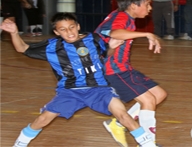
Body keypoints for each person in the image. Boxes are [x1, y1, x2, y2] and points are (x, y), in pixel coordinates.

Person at [1, 13, 154, 147]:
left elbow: (105, 54)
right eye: (63, 29)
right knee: (43, 119)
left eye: (72, 27)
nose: (69, 32)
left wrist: (112, 47)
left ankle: (147, 144)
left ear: (78, 26)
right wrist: (14, 33)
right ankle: (20, 143)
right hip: (70, 91)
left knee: (123, 115)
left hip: (99, 89)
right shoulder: (51, 47)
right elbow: (22, 49)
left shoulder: (94, 39)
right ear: (56, 32)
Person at [95, 0, 167, 147]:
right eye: (148, 4)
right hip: (113, 70)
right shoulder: (122, 17)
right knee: (148, 100)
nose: (150, 8)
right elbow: (116, 33)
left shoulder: (121, 16)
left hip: (123, 68)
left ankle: (118, 124)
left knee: (159, 94)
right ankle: (148, 143)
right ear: (134, 5)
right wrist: (147, 33)